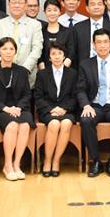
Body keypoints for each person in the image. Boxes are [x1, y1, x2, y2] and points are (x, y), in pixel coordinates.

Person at [77, 29, 110, 178]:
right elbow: (80, 90)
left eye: (105, 42)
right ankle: (96, 161)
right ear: (93, 45)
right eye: (98, 42)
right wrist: (86, 105)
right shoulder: (85, 64)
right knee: (86, 120)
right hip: (94, 106)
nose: (102, 45)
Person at [0, 37, 34, 181]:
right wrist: (6, 109)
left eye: (11, 49)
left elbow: (27, 94)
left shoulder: (22, 71)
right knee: (12, 125)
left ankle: (17, 164)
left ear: (15, 52)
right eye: (4, 49)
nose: (8, 52)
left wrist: (17, 108)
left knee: (24, 125)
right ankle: (7, 165)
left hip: (19, 109)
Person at [34, 42, 78, 177]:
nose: (57, 56)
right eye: (53, 54)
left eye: (60, 53)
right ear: (49, 57)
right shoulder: (42, 74)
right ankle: (47, 161)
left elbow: (75, 95)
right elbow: (38, 96)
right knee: (54, 124)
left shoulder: (72, 73)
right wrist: (51, 109)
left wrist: (64, 108)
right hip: (48, 110)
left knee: (65, 123)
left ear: (64, 56)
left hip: (67, 111)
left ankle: (56, 161)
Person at [0, 0, 43, 86]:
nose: (17, 5)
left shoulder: (35, 25)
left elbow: (37, 49)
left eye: (20, 2)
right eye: (14, 2)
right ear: (9, 4)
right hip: (2, 76)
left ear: (26, 5)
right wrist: (3, 68)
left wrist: (24, 69)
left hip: (27, 76)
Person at [73, 0, 110, 64]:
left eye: (99, 4)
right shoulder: (78, 28)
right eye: (93, 4)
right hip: (84, 68)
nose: (96, 7)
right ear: (87, 8)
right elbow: (74, 52)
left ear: (104, 7)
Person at [38, 0, 75, 70]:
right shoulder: (40, 32)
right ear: (45, 12)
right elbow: (39, 54)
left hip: (64, 71)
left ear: (60, 12)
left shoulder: (68, 32)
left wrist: (62, 70)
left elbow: (71, 53)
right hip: (45, 72)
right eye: (49, 10)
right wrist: (44, 71)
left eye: (55, 10)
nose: (52, 13)